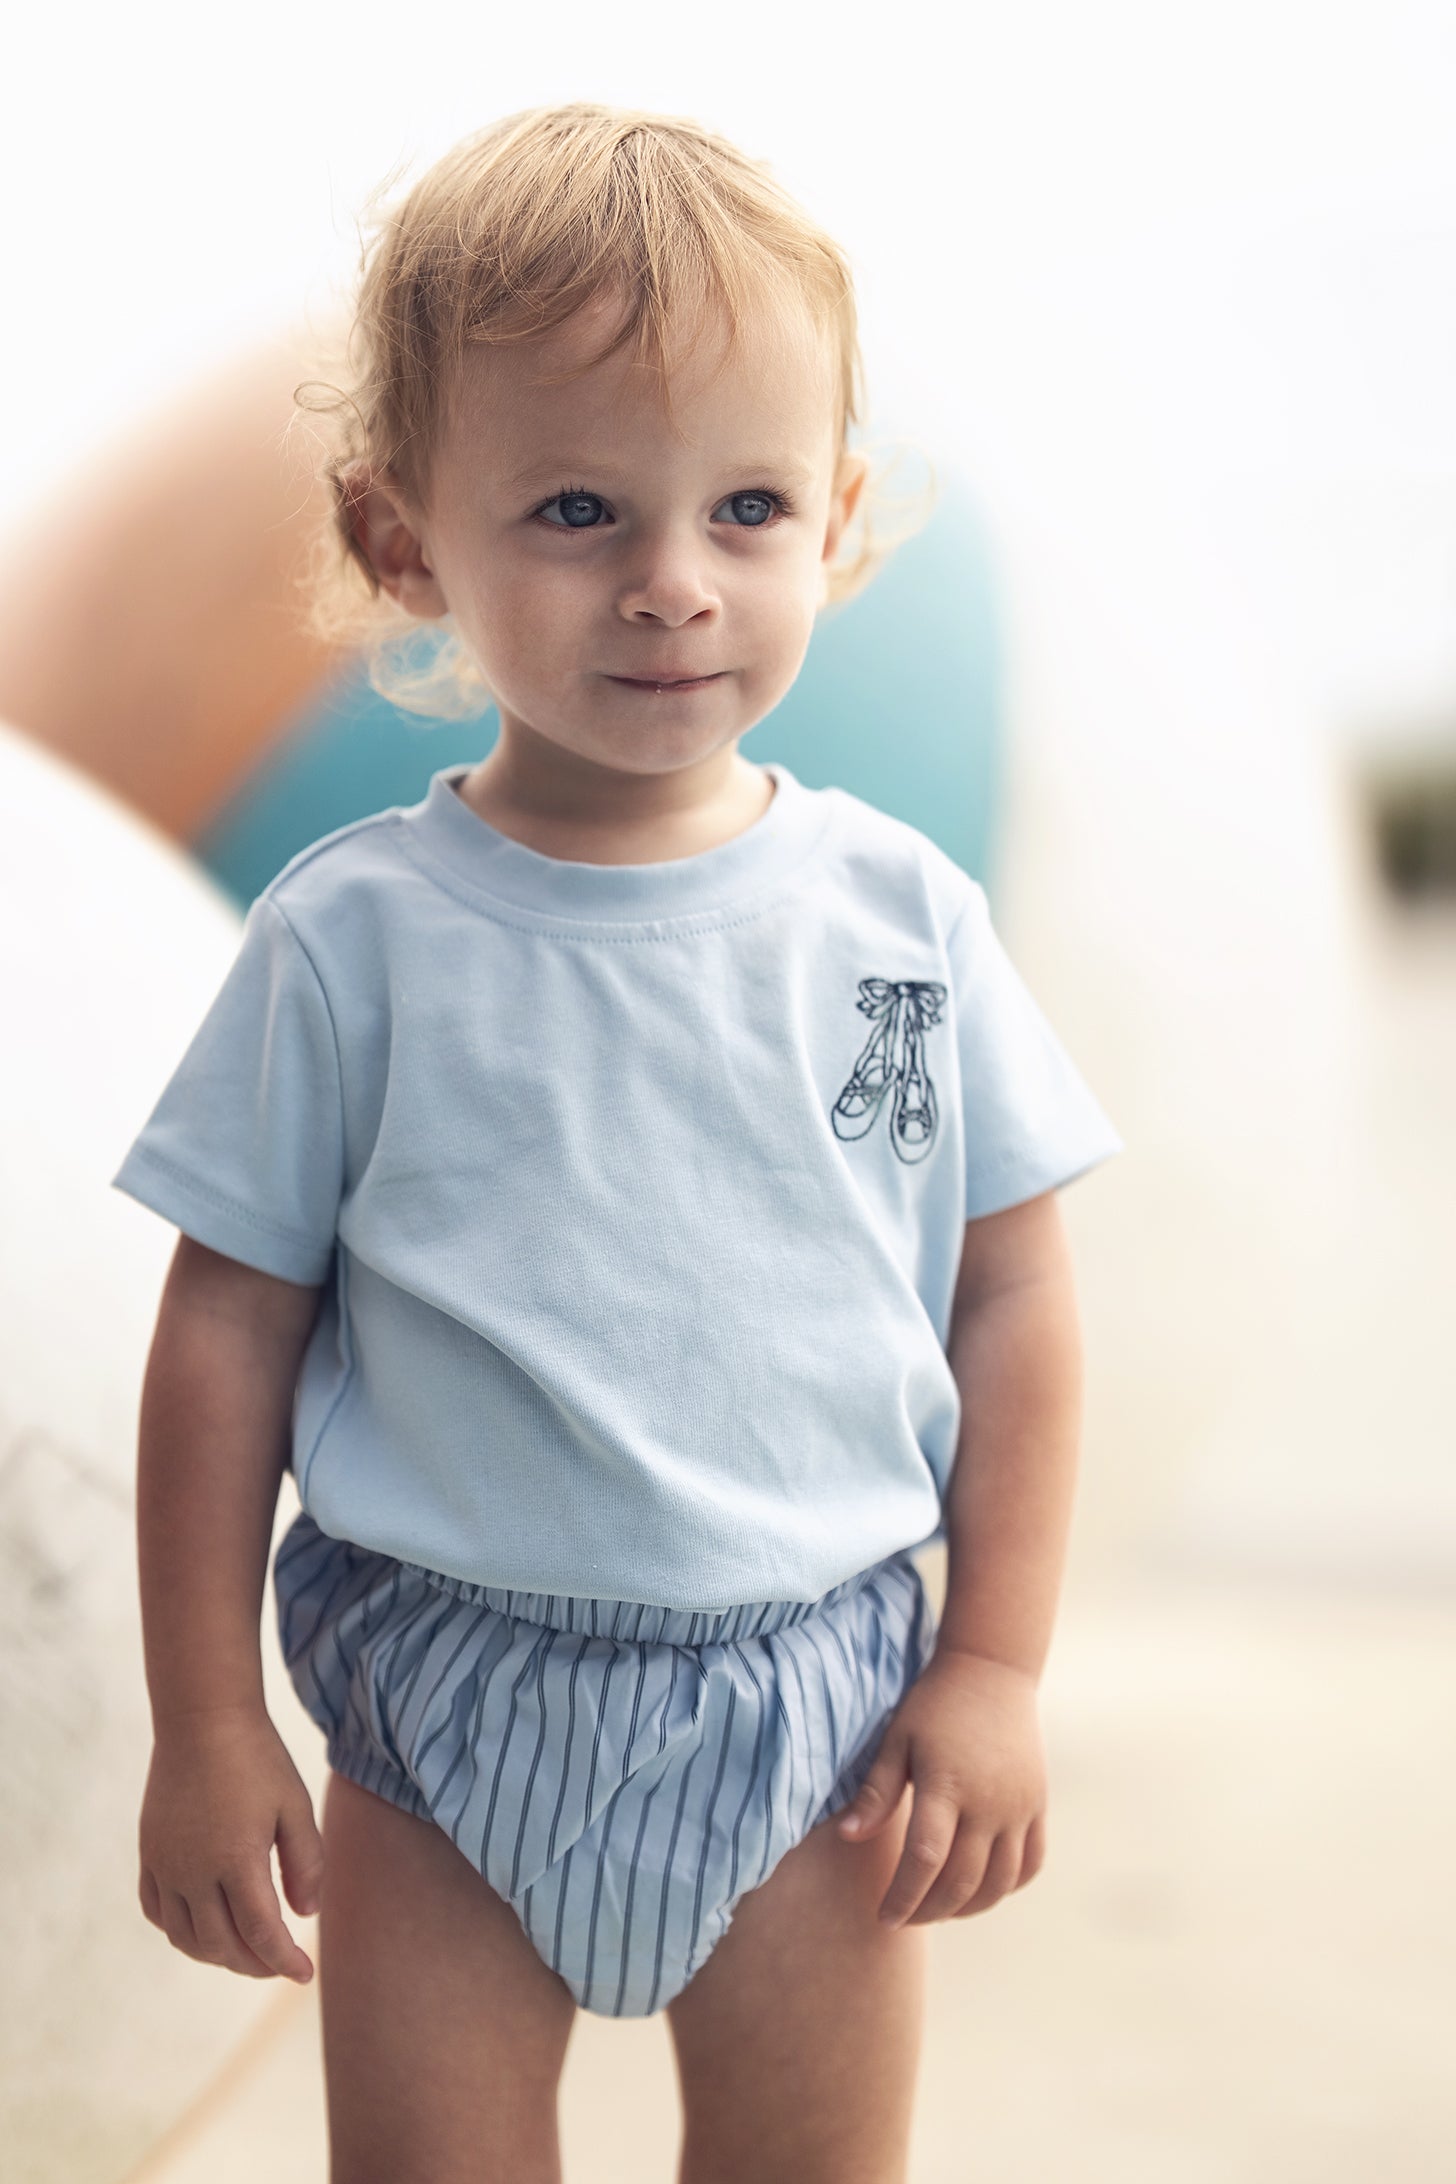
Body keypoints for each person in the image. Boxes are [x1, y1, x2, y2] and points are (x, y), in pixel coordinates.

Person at [111, 103, 1124, 2184]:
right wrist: (209, 1725)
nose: (671, 585)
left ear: (832, 523)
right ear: (404, 543)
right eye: (575, 508)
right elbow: (220, 1340)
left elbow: (1008, 1290)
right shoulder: (354, 939)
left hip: (817, 1712)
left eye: (743, 506)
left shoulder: (894, 921)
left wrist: (995, 1663)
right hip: (446, 1710)